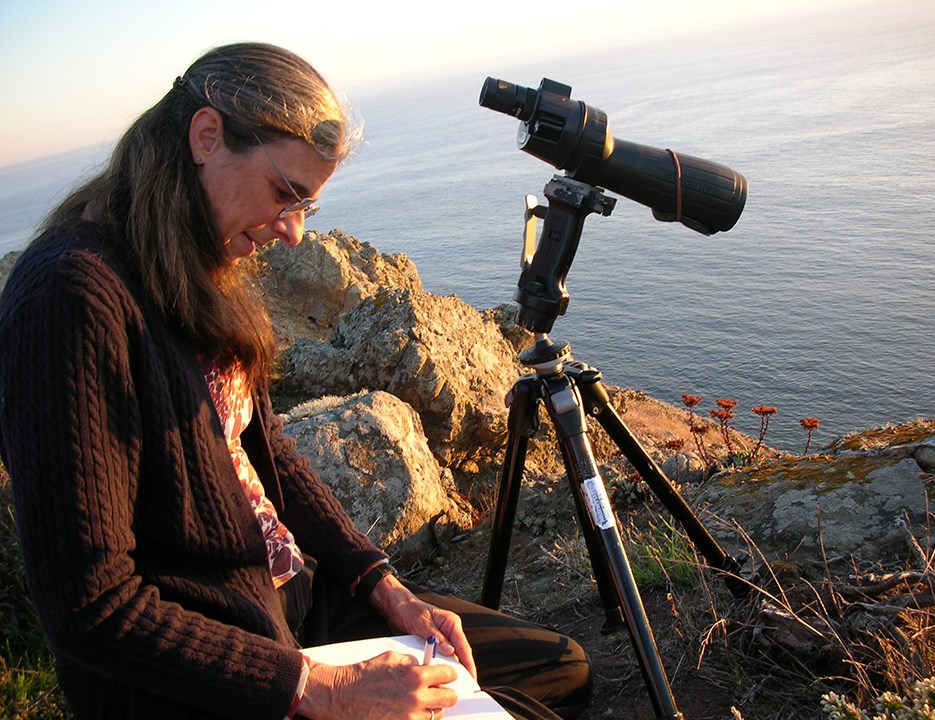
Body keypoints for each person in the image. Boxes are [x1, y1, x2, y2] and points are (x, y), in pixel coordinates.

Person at [0, 43, 592, 720]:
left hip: (287, 597)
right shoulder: (70, 299)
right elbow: (91, 605)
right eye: (285, 193)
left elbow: (267, 452)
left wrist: (383, 584)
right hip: (206, 670)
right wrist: (318, 688)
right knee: (509, 709)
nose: (292, 231)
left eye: (306, 203)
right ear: (206, 137)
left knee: (557, 669)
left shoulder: (186, 261)